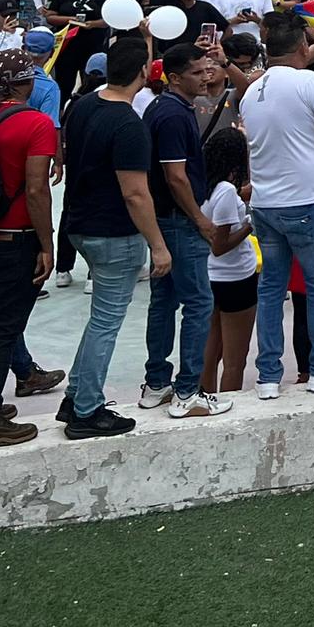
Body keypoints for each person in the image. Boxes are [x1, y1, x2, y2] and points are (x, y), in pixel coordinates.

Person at [241, 10, 314, 399]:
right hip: (308, 201)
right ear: (303, 48)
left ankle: (268, 376)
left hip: (265, 205)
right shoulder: (309, 82)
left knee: (272, 289)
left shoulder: (251, 91)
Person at [60, 31, 172, 438]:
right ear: (143, 72)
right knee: (107, 323)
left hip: (80, 225)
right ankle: (87, 409)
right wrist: (158, 245)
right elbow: (136, 193)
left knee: (99, 321)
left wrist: (143, 39)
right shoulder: (128, 123)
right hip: (114, 233)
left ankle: (76, 395)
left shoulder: (85, 105)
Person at [138, 42, 227, 419]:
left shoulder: (165, 107)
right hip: (179, 220)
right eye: (196, 72)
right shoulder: (174, 115)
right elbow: (176, 177)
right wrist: (201, 220)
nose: (205, 76)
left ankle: (157, 383)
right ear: (174, 78)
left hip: (167, 219)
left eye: (207, 69)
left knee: (164, 300)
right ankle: (187, 392)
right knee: (199, 304)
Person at [199, 125, 258, 397]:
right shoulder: (224, 192)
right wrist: (249, 225)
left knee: (210, 351)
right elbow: (220, 245)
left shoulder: (204, 184)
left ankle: (205, 399)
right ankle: (228, 404)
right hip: (235, 278)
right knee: (235, 358)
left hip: (211, 277)